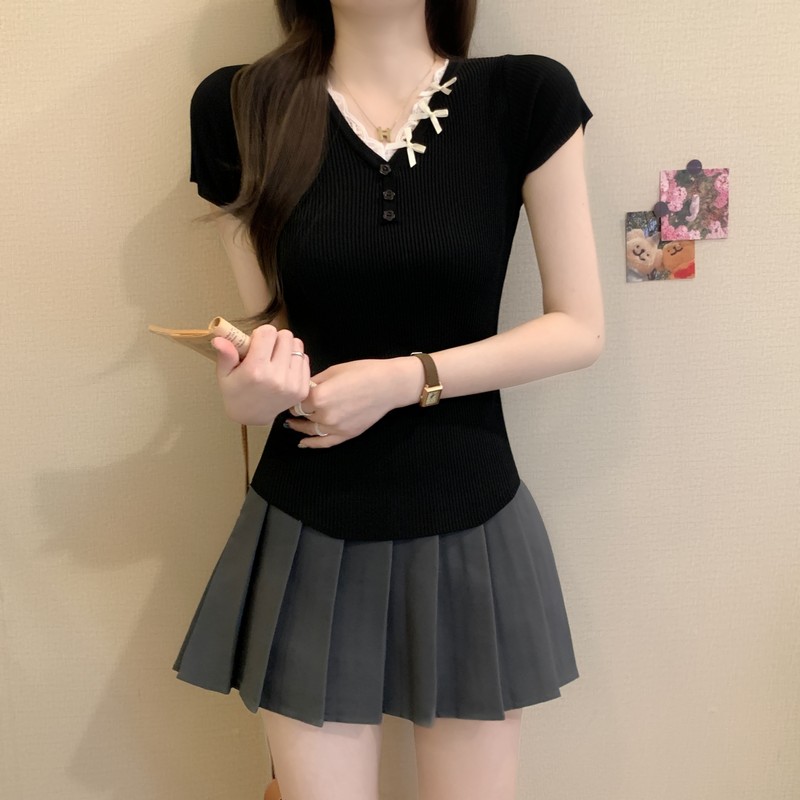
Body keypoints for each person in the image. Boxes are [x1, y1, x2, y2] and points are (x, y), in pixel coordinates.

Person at [172, 1, 604, 798]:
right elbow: (271, 326)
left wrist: (407, 379)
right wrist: (248, 391)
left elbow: (578, 327)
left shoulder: (525, 97)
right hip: (306, 527)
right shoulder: (238, 108)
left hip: (473, 519)